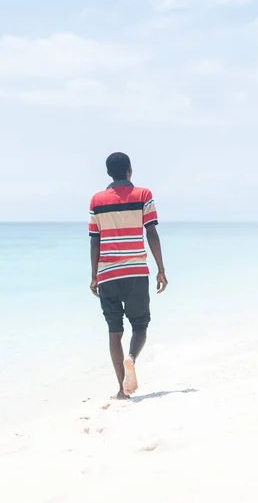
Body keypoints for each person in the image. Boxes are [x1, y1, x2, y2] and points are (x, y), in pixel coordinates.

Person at [89, 152, 168, 400]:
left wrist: (94, 276)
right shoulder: (143, 195)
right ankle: (131, 358)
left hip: (107, 274)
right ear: (129, 171)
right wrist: (161, 269)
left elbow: (95, 241)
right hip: (135, 272)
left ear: (109, 173)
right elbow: (151, 233)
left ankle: (122, 390)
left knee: (114, 331)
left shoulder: (97, 201)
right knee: (140, 325)